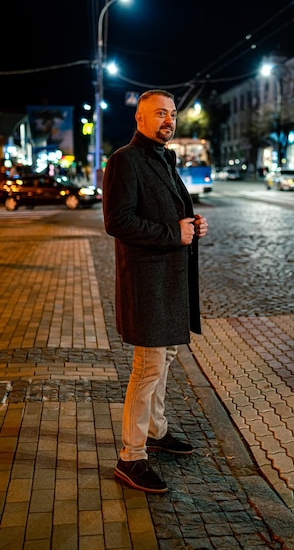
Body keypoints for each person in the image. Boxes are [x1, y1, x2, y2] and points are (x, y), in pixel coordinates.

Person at [102, 89, 208, 494]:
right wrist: (171, 233)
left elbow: (169, 214)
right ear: (140, 119)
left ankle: (156, 431)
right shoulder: (125, 160)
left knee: (163, 360)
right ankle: (131, 456)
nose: (169, 120)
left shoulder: (165, 159)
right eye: (160, 113)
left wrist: (191, 224)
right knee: (147, 370)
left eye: (173, 113)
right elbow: (118, 221)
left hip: (168, 282)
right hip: (146, 284)